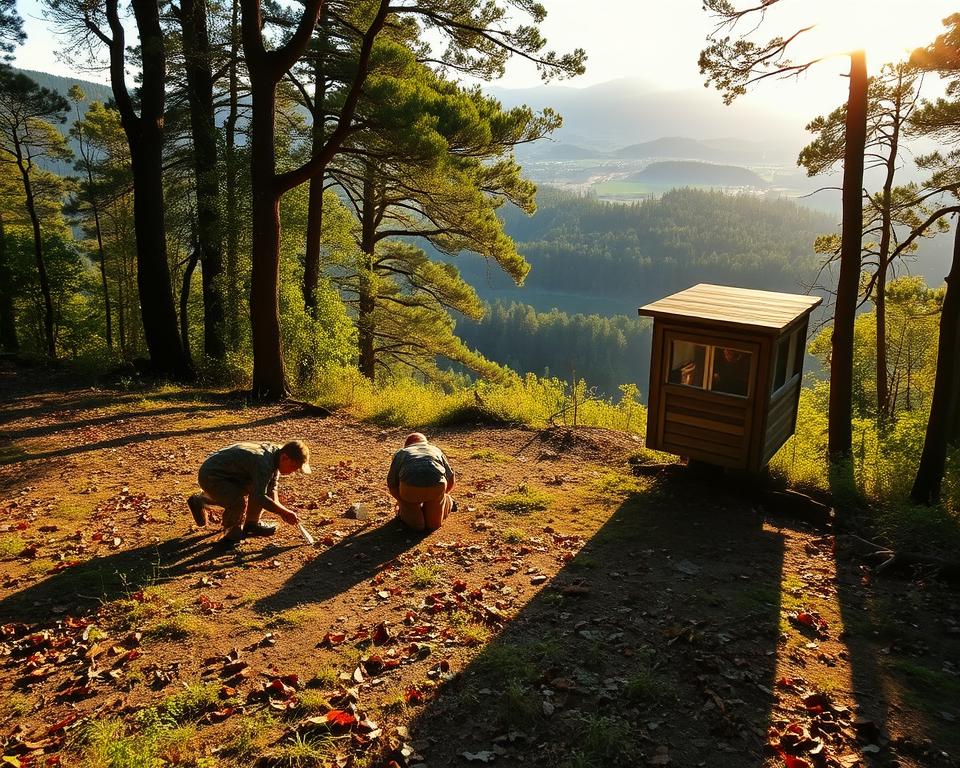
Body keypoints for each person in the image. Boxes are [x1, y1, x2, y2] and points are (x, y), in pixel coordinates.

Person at [187, 440, 310, 551]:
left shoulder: (276, 456)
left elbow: (271, 489)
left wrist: (282, 510)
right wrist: (282, 512)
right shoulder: (263, 462)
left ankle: (251, 524)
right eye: (293, 467)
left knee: (257, 488)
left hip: (231, 475)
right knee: (237, 503)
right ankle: (229, 535)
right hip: (211, 476)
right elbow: (259, 497)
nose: (292, 472)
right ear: (285, 458)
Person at [387, 433, 456, 532]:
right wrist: (444, 494)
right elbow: (451, 477)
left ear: (407, 445)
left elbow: (392, 483)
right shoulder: (436, 450)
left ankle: (411, 510)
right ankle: (447, 501)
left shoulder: (401, 453)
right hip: (437, 486)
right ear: (425, 442)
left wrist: (401, 501)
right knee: (433, 526)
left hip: (410, 489)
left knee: (416, 527)